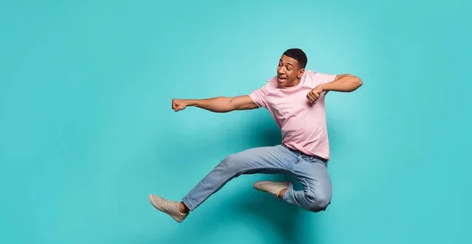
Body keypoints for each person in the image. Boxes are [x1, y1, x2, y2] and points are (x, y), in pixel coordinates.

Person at [149, 48, 362, 223]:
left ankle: (282, 192)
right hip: (286, 152)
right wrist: (191, 102)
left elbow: (354, 81)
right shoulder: (270, 90)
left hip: (314, 161)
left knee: (320, 200)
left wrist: (325, 87)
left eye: (288, 67)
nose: (281, 70)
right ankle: (182, 208)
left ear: (300, 72)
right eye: (280, 64)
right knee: (231, 162)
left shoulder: (314, 79)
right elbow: (231, 103)